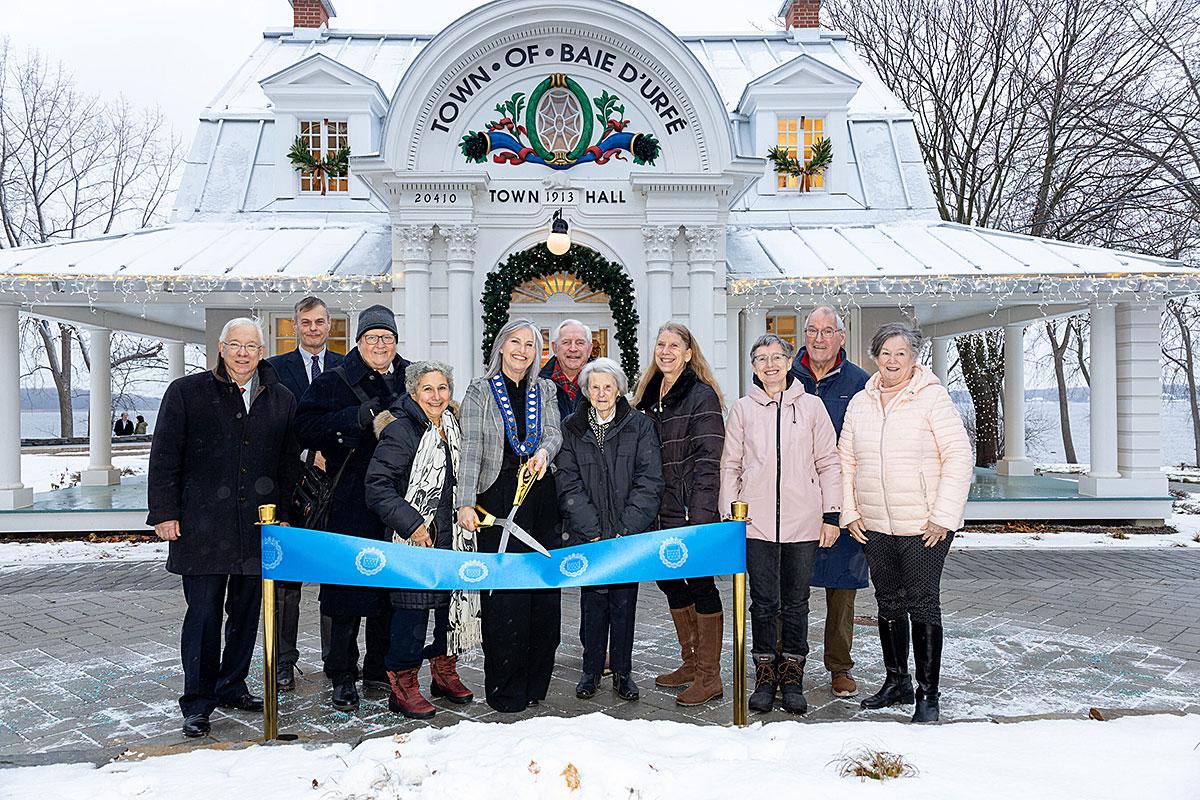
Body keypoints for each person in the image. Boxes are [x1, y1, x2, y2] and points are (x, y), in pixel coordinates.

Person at [147, 317, 299, 738]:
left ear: (262, 351)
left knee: (247, 614)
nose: (243, 352)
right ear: (220, 347)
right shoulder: (186, 392)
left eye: (251, 345)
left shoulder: (281, 397)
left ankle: (231, 685)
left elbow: (288, 464)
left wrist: (283, 514)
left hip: (257, 528)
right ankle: (197, 701)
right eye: (235, 344)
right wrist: (164, 512)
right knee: (204, 615)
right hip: (202, 527)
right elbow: (164, 456)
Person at [839, 322, 973, 723]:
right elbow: (845, 459)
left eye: (901, 353)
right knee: (888, 602)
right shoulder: (861, 403)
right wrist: (850, 511)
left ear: (914, 358)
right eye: (885, 353)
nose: (892, 361)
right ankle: (896, 681)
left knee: (922, 604)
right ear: (874, 357)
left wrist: (943, 517)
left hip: (924, 526)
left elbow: (959, 457)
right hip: (874, 523)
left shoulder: (932, 400)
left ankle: (927, 695)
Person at [295, 304, 411, 712]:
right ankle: (342, 674)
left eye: (388, 338)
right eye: (373, 337)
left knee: (390, 590)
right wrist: (355, 417)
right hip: (348, 500)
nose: (381, 345)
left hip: (399, 499)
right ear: (359, 341)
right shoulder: (333, 381)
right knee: (346, 591)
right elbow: (303, 428)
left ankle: (381, 668)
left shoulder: (411, 377)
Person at [721, 333, 842, 715]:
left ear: (790, 362)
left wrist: (832, 515)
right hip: (754, 523)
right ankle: (764, 672)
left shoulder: (812, 407)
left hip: (802, 521)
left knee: (796, 602)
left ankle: (792, 673)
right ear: (753, 367)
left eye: (777, 357)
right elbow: (731, 465)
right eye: (761, 359)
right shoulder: (742, 409)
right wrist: (730, 516)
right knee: (763, 602)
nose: (770, 364)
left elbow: (828, 462)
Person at [456, 318, 563, 713]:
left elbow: (555, 433)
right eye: (515, 342)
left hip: (538, 495)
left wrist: (544, 452)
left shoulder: (545, 389)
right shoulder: (480, 391)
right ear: (501, 346)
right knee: (505, 599)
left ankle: (537, 684)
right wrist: (464, 500)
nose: (522, 350)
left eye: (531, 345)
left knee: (542, 596)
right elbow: (469, 450)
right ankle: (505, 689)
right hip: (495, 498)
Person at [365, 361, 478, 719]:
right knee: (411, 615)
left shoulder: (454, 427)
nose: (436, 395)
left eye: (442, 388)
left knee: (450, 609)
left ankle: (444, 671)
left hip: (454, 537)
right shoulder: (401, 430)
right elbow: (377, 487)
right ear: (414, 393)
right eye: (428, 389)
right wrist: (413, 524)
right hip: (416, 539)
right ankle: (403, 684)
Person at [557, 358, 664, 703]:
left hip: (624, 535)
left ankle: (622, 672)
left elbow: (649, 482)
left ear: (619, 389)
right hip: (590, 536)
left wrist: (624, 529)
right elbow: (567, 483)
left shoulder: (639, 426)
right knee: (592, 602)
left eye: (608, 386)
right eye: (595, 387)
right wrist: (592, 530)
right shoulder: (572, 428)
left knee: (623, 602)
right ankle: (590, 671)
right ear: (586, 391)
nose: (602, 393)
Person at [632, 322, 726, 707]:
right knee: (670, 581)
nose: (666, 351)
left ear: (689, 353)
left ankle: (710, 675)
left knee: (700, 584)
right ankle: (690, 662)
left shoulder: (700, 395)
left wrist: (701, 514)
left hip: (691, 508)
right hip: (657, 508)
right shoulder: (647, 396)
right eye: (660, 344)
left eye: (675, 345)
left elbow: (709, 457)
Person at [788, 306, 870, 699]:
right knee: (793, 587)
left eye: (827, 331)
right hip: (796, 497)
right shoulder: (787, 377)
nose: (819, 338)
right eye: (812, 331)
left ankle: (840, 666)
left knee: (841, 588)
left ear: (841, 336)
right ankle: (791, 662)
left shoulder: (859, 382)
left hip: (842, 496)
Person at [266, 296, 346, 692]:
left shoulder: (347, 367)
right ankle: (283, 662)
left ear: (329, 325)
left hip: (336, 487)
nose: (313, 328)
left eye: (319, 322)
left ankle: (337, 664)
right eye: (305, 322)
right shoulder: (275, 370)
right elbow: (273, 429)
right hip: (291, 486)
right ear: (295, 326)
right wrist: (304, 452)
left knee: (334, 578)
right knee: (287, 583)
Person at [538, 319, 592, 420]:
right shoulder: (537, 383)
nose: (573, 349)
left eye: (580, 343)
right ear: (554, 348)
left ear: (589, 349)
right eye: (566, 342)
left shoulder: (605, 381)